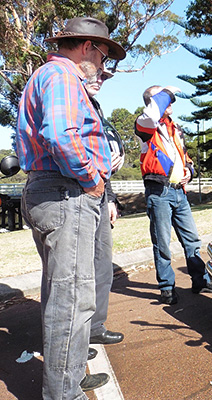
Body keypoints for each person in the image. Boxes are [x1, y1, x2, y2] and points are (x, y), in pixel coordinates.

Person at [15, 17, 125, 400]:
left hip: (52, 191)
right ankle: (62, 398)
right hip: (65, 192)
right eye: (102, 53)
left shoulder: (50, 76)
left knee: (63, 292)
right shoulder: (62, 76)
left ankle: (70, 373)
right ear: (86, 48)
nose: (102, 62)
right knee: (73, 297)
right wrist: (93, 177)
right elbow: (62, 136)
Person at [134, 85, 212, 305]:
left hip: (179, 193)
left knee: (192, 240)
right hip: (158, 192)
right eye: (162, 98)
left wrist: (189, 172)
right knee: (162, 243)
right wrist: (167, 92)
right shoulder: (145, 127)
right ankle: (166, 287)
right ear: (153, 102)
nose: (169, 101)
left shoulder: (174, 128)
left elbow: (185, 157)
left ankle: (200, 280)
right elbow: (150, 117)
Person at [79, 64, 126, 350]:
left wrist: (109, 197)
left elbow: (100, 158)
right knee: (76, 276)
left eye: (104, 76)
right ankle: (76, 341)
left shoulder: (94, 105)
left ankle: (95, 325)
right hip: (75, 195)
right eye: (95, 73)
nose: (100, 80)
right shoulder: (71, 99)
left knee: (102, 266)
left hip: (98, 194)